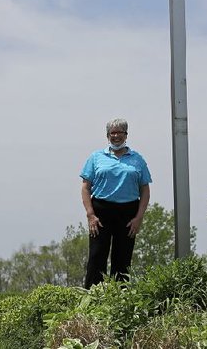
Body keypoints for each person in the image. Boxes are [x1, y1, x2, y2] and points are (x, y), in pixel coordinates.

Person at [80, 118, 151, 288]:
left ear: (126, 135)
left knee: (122, 257)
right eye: (113, 133)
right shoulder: (96, 157)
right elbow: (85, 188)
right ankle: (92, 295)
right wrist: (90, 214)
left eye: (120, 132)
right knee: (97, 255)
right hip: (101, 210)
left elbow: (145, 190)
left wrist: (139, 217)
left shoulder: (137, 159)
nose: (116, 136)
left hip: (128, 212)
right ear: (107, 135)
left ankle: (120, 297)